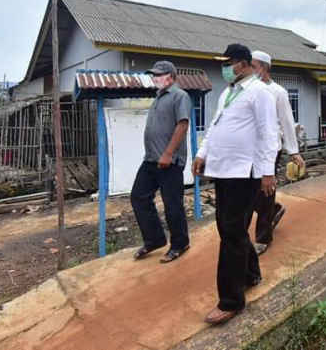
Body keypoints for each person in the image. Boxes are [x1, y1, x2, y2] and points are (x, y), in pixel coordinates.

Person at [193, 44, 279, 325]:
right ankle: (251, 274)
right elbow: (215, 126)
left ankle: (231, 300)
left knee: (230, 231)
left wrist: (268, 172)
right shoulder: (228, 93)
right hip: (224, 170)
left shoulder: (260, 93)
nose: (224, 68)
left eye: (228, 63)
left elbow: (268, 134)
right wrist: (202, 153)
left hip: (245, 172)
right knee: (232, 228)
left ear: (242, 64)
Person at [130, 60, 191, 263]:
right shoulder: (158, 97)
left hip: (170, 161)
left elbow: (182, 125)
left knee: (172, 204)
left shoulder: (179, 96)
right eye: (153, 75)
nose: (155, 78)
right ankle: (155, 239)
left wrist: (168, 154)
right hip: (151, 160)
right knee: (138, 197)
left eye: (159, 75)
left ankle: (180, 244)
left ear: (171, 77)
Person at [250, 51, 304, 255]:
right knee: (249, 191)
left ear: (263, 68)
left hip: (270, 148)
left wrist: (294, 151)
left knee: (265, 191)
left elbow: (287, 121)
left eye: (253, 66)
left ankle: (263, 237)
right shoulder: (246, 90)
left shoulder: (278, 92)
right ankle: (273, 210)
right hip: (249, 149)